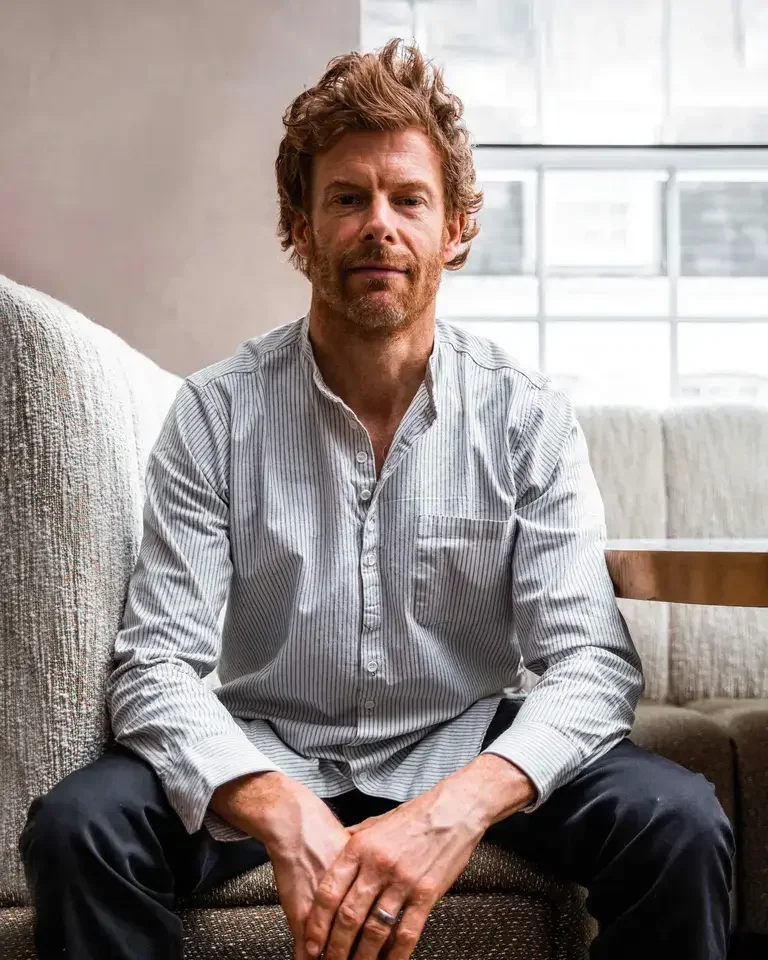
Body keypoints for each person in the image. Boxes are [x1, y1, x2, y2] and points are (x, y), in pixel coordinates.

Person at [20, 39, 734, 960]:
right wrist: (276, 807)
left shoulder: (527, 419)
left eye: (409, 200)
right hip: (266, 739)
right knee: (77, 829)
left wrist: (454, 811)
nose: (378, 226)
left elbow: (590, 668)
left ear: (457, 229)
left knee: (679, 821)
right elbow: (155, 665)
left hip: (462, 733)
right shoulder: (215, 413)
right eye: (347, 198)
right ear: (299, 226)